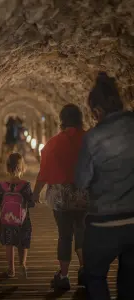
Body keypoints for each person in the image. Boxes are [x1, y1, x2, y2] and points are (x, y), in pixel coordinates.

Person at [75, 72, 134, 300]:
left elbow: (81, 181)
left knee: (95, 276)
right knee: (130, 285)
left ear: (97, 111)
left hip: (102, 224)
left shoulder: (92, 138)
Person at [32, 104, 87, 290]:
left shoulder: (54, 143)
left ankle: (63, 277)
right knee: (82, 232)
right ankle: (84, 271)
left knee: (65, 236)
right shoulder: (88, 140)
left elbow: (44, 171)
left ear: (62, 121)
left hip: (61, 197)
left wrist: (35, 193)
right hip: (84, 196)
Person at [0, 153, 35, 278]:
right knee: (22, 241)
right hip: (23, 219)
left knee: (9, 243)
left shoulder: (1, 186)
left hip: (7, 219)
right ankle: (22, 264)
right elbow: (31, 203)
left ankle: (11, 269)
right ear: (22, 167)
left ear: (7, 167)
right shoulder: (25, 185)